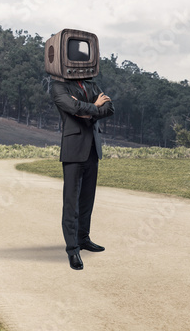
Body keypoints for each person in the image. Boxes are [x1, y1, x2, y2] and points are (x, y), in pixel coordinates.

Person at [50, 75, 114, 270]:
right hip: (73, 149)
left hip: (93, 149)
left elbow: (110, 108)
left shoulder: (91, 84)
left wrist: (87, 111)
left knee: (87, 200)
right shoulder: (58, 87)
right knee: (72, 203)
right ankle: (73, 249)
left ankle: (83, 239)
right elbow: (73, 108)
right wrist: (95, 105)